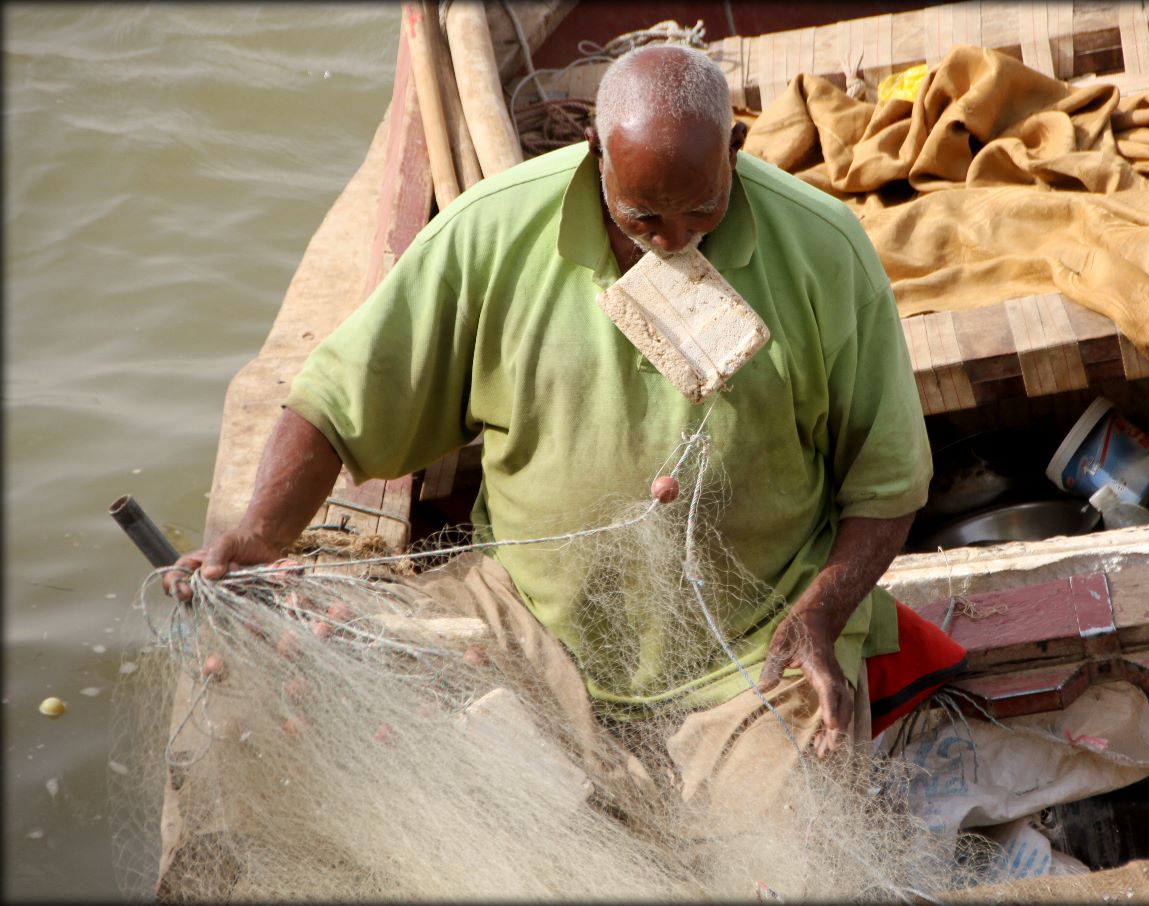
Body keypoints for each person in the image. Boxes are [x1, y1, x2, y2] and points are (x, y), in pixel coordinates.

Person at [167, 45, 963, 786]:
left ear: (736, 149)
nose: (672, 242)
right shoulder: (491, 231)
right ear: (595, 155)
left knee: (789, 870)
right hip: (522, 622)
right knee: (294, 728)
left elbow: (888, 486)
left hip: (754, 653)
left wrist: (822, 612)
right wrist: (260, 535)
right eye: (643, 216)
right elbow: (334, 405)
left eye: (703, 211)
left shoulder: (827, 250)